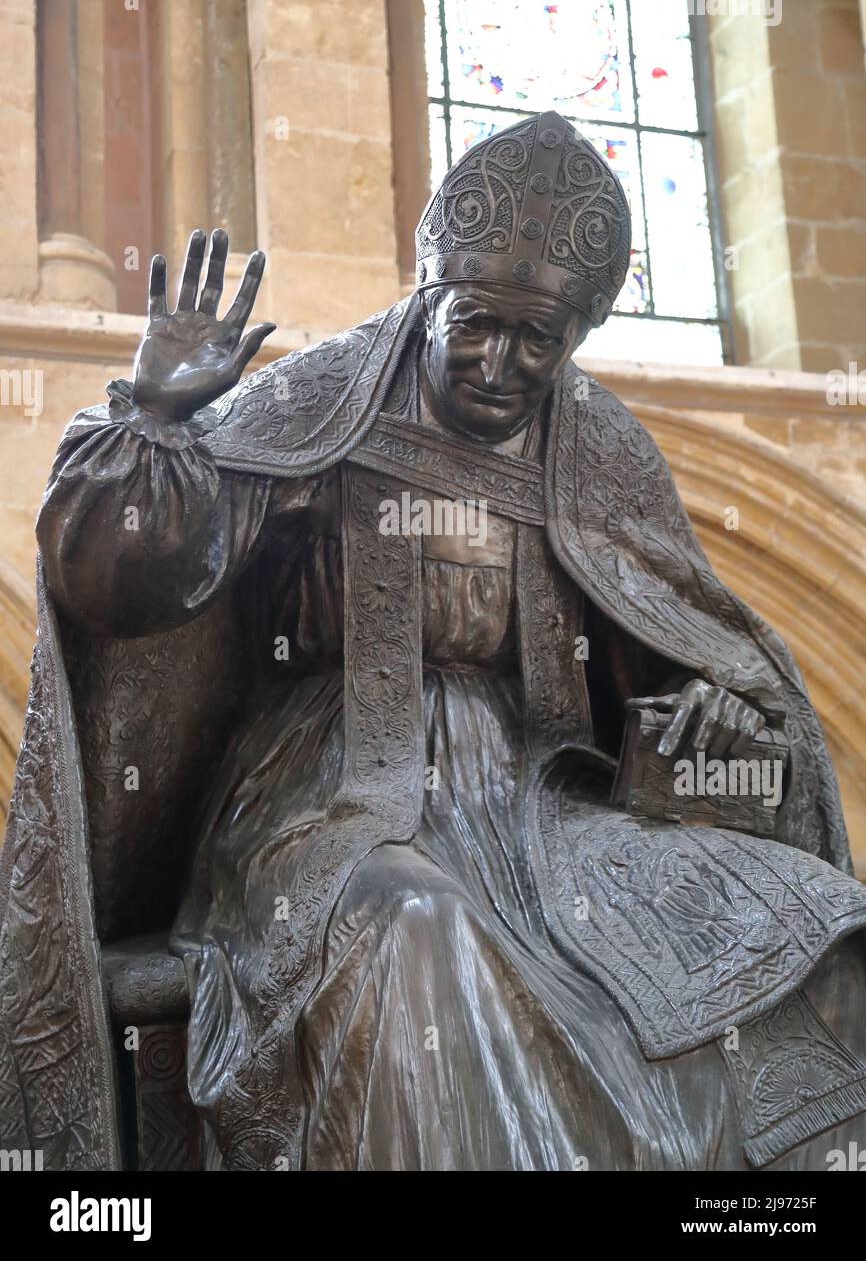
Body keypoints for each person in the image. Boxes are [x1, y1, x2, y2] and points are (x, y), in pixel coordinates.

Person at [2, 112, 866, 1172]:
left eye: (536, 338)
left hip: (543, 808)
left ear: (577, 334)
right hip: (326, 794)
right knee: (415, 928)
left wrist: (717, 721)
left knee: (821, 927)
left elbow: (700, 655)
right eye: (475, 323)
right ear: (427, 291)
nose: (500, 361)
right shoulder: (328, 400)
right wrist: (155, 424)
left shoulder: (596, 446)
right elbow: (122, 585)